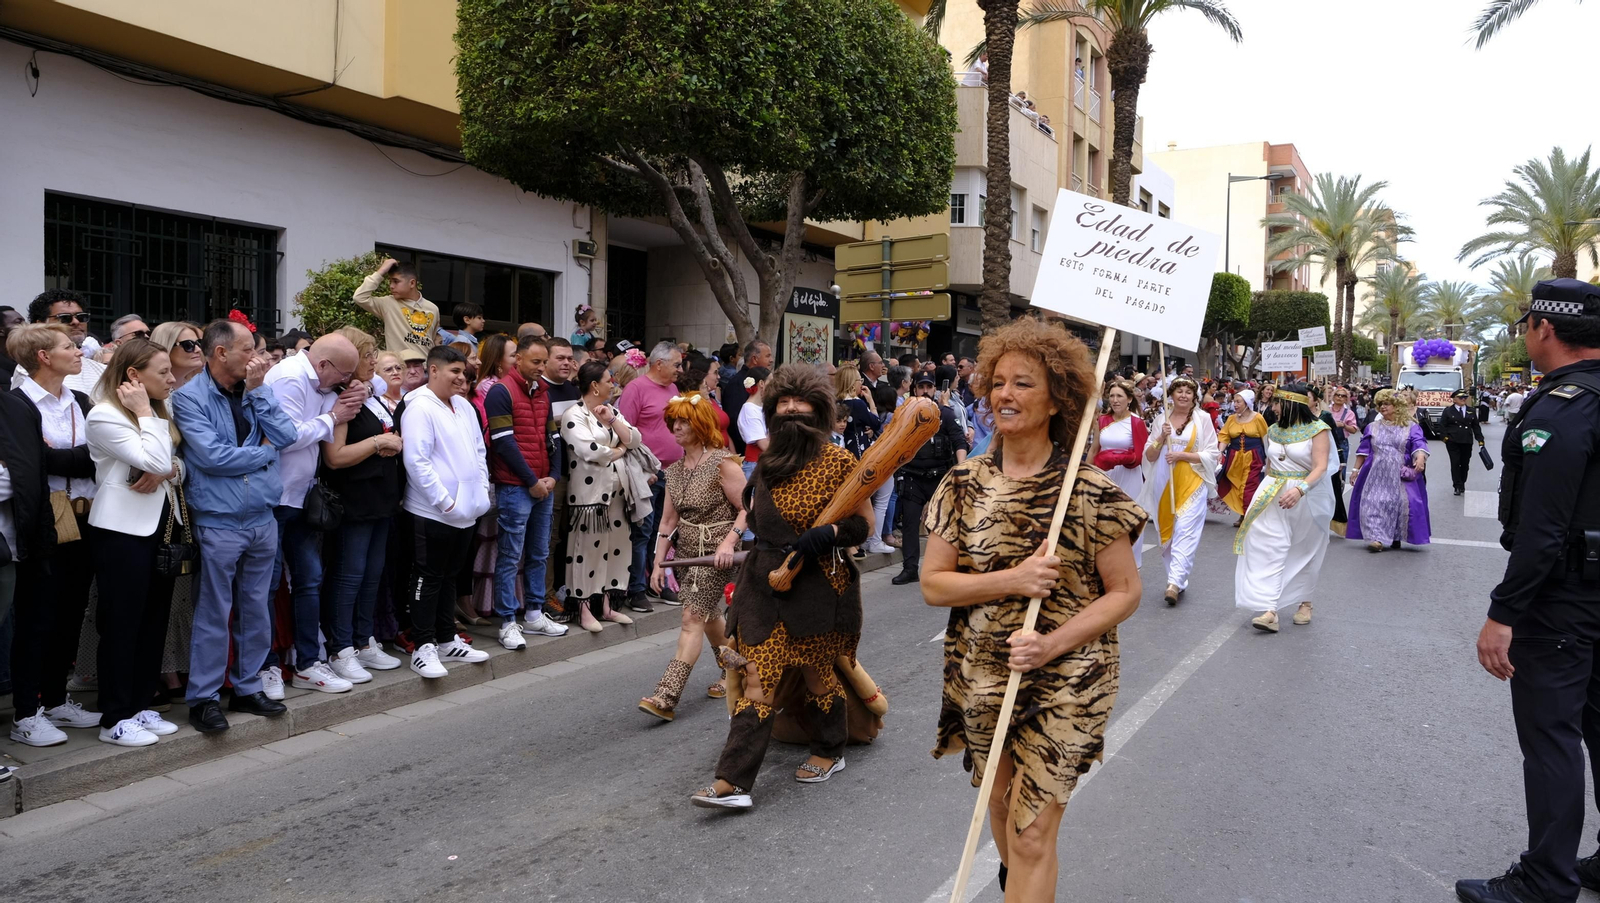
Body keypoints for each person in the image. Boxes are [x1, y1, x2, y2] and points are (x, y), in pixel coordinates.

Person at [922, 317, 1144, 898]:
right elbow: (934, 585)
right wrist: (1012, 579)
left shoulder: (1091, 491)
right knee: (999, 814)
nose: (1004, 394)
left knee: (1030, 835)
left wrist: (1050, 643)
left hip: (1070, 672)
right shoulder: (962, 483)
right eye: (997, 382)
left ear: (1057, 399)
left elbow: (1126, 592)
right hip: (983, 668)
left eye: (1023, 383)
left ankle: (1025, 871)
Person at [1458, 278, 1600, 903]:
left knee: (1551, 740)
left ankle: (1546, 880)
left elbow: (1543, 530)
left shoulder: (1562, 407)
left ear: (1545, 328)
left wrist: (1503, 612)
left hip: (1563, 599)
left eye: (1526, 324)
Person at [690, 364, 874, 810]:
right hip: (764, 582)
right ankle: (732, 781)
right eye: (782, 404)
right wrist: (739, 533)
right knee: (757, 675)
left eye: (801, 404)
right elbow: (750, 514)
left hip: (819, 586)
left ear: (821, 411)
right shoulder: (767, 461)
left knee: (816, 673)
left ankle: (830, 749)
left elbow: (864, 525)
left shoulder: (840, 463)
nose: (791, 410)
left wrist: (828, 534)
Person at [169, 319, 298, 733]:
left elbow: (287, 434)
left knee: (256, 608)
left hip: (262, 517)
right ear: (220, 352)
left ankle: (246, 687)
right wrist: (263, 455)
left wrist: (259, 395)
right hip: (218, 522)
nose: (257, 359)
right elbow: (211, 458)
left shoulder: (259, 389)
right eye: (249, 351)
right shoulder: (189, 397)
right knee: (213, 612)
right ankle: (204, 698)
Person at [4, 324, 101, 745]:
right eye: (69, 346)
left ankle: (57, 699)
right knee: (36, 619)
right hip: (45, 520)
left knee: (70, 615)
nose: (78, 350)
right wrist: (72, 458)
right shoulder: (17, 404)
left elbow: (97, 456)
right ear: (43, 356)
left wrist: (61, 456)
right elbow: (30, 465)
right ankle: (26, 713)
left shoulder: (79, 399)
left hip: (86, 517)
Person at [85, 339, 184, 746]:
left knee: (152, 621)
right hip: (120, 532)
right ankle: (115, 716)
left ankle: (142, 704)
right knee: (122, 624)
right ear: (133, 376)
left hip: (161, 525)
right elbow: (159, 461)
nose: (172, 378)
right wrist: (146, 415)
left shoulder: (158, 412)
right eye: (162, 372)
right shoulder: (104, 416)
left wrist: (169, 469)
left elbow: (174, 467)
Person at [260, 333, 365, 695]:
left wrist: (345, 399)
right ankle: (266, 666)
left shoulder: (322, 383)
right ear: (323, 365)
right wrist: (334, 416)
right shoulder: (290, 377)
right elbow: (286, 436)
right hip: (274, 498)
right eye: (343, 375)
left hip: (302, 497)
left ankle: (307, 663)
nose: (345, 381)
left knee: (309, 579)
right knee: (268, 587)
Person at [641, 392, 747, 721]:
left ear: (700, 424)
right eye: (673, 421)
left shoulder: (723, 463)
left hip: (715, 554)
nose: (675, 427)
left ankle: (666, 695)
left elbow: (747, 508)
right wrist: (659, 562)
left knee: (691, 619)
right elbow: (668, 522)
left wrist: (729, 542)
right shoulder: (673, 471)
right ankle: (734, 668)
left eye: (683, 421)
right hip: (686, 555)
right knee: (709, 615)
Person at [399, 346, 494, 678]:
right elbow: (416, 461)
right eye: (454, 371)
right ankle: (423, 646)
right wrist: (445, 501)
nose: (461, 377)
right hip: (432, 512)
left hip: (467, 511)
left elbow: (479, 453)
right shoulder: (419, 407)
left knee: (450, 575)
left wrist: (480, 494)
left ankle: (445, 638)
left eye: (463, 371)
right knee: (427, 575)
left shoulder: (465, 407)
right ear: (433, 370)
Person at [318, 328, 405, 678]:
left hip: (381, 499)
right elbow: (335, 457)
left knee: (372, 575)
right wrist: (377, 443)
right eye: (368, 356)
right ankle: (341, 649)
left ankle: (365, 641)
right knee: (349, 575)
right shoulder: (341, 399)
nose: (373, 362)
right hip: (353, 501)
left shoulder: (369, 393)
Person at [484, 334, 568, 645]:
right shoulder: (500, 392)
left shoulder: (542, 392)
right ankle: (507, 621)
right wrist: (533, 481)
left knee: (538, 552)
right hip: (516, 486)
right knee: (510, 554)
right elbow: (503, 442)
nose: (541, 367)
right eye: (536, 362)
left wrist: (553, 477)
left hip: (542, 485)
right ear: (517, 359)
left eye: (544, 362)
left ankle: (533, 614)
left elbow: (554, 439)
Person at [1233, 383, 1334, 632]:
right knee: (1271, 545)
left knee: (1303, 550)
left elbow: (1321, 467)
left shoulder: (1318, 429)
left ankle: (1305, 602)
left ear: (1290, 404)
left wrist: (1300, 490)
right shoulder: (1274, 430)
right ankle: (1270, 610)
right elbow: (1270, 463)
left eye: (1277, 402)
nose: (1273, 407)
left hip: (1306, 495)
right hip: (1273, 492)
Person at [559, 360, 640, 633]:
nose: (613, 384)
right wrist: (618, 450)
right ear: (594, 386)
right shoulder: (574, 414)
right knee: (586, 552)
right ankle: (582, 609)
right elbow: (592, 451)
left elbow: (635, 438)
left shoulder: (611, 410)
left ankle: (606, 605)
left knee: (616, 548)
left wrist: (613, 421)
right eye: (609, 380)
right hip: (589, 496)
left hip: (619, 493)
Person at [1139, 377, 1218, 605]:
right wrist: (1162, 438)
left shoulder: (1202, 419)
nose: (1183, 395)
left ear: (1194, 396)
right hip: (1163, 482)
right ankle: (1178, 578)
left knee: (1186, 530)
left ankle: (1173, 583)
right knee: (1169, 532)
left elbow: (1212, 454)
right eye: (1179, 391)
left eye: (1188, 392)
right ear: (1171, 395)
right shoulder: (1161, 421)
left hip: (1192, 480)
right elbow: (1150, 456)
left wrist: (1182, 455)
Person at [618, 342, 685, 612]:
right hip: (647, 474)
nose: (681, 369)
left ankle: (658, 581)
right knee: (643, 532)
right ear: (659, 364)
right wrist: (640, 471)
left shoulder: (672, 388)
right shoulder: (636, 388)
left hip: (672, 471)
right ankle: (636, 589)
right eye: (677, 364)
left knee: (664, 532)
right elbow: (624, 431)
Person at [891, 372, 969, 586]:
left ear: (935, 389)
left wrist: (961, 467)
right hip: (912, 477)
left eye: (929, 387)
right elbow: (891, 442)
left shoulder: (944, 412)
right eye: (921, 387)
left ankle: (945, 567)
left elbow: (958, 440)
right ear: (914, 389)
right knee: (909, 523)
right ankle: (910, 569)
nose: (925, 391)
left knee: (944, 524)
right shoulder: (904, 414)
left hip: (939, 477)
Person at [1345, 388, 1430, 553]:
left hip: (1399, 473)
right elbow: (1363, 450)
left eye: (1387, 403)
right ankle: (1376, 538)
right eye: (1380, 404)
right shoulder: (1372, 427)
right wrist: (1355, 469)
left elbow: (1419, 443)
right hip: (1374, 472)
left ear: (1396, 405)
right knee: (1373, 502)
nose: (1383, 407)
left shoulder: (1411, 426)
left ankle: (1395, 535)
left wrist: (1420, 457)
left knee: (1397, 503)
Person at [542, 338, 582, 619]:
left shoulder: (575, 390)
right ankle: (546, 596)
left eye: (570, 358)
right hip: (552, 476)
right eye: (560, 358)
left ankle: (566, 589)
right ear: (545, 360)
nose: (566, 363)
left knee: (571, 537)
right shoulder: (539, 390)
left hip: (579, 475)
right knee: (550, 539)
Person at [1090, 379, 1148, 567]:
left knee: (1130, 518)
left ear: (1129, 399)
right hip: (1105, 476)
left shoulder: (1137, 422)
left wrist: (1122, 458)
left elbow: (1142, 456)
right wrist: (1085, 472)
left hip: (1130, 477)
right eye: (1112, 396)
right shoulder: (1102, 420)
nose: (1114, 400)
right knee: (1105, 519)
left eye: (1119, 396)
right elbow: (1094, 449)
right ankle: (1108, 565)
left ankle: (1132, 564)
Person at [353, 258, 441, 356]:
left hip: (423, 368)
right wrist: (381, 271)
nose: (391, 286)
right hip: (398, 367)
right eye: (390, 281)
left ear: (412, 283)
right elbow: (359, 297)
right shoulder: (387, 303)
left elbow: (432, 341)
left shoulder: (433, 309)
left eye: (396, 281)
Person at [1216, 388, 1269, 526]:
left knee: (1248, 487)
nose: (1235, 404)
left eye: (1238, 401)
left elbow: (1265, 438)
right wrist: (1220, 452)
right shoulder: (1232, 419)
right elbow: (1225, 436)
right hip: (1235, 458)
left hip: (1253, 458)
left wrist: (1268, 458)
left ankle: (1248, 517)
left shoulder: (1258, 418)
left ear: (1246, 403)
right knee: (1238, 487)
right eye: (1234, 401)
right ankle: (1243, 514)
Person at [721, 339, 773, 455]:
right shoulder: (737, 383)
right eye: (768, 356)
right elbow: (734, 421)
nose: (771, 360)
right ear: (754, 359)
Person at [1441, 388, 1487, 496]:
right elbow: (1443, 426)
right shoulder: (1448, 411)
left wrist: (1480, 440)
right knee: (1455, 463)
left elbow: (1476, 426)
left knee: (1465, 464)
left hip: (1466, 441)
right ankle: (1457, 485)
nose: (1463, 399)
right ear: (1454, 399)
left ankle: (1462, 482)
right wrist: (1445, 438)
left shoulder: (1471, 410)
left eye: (1465, 397)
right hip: (1453, 441)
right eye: (1460, 397)